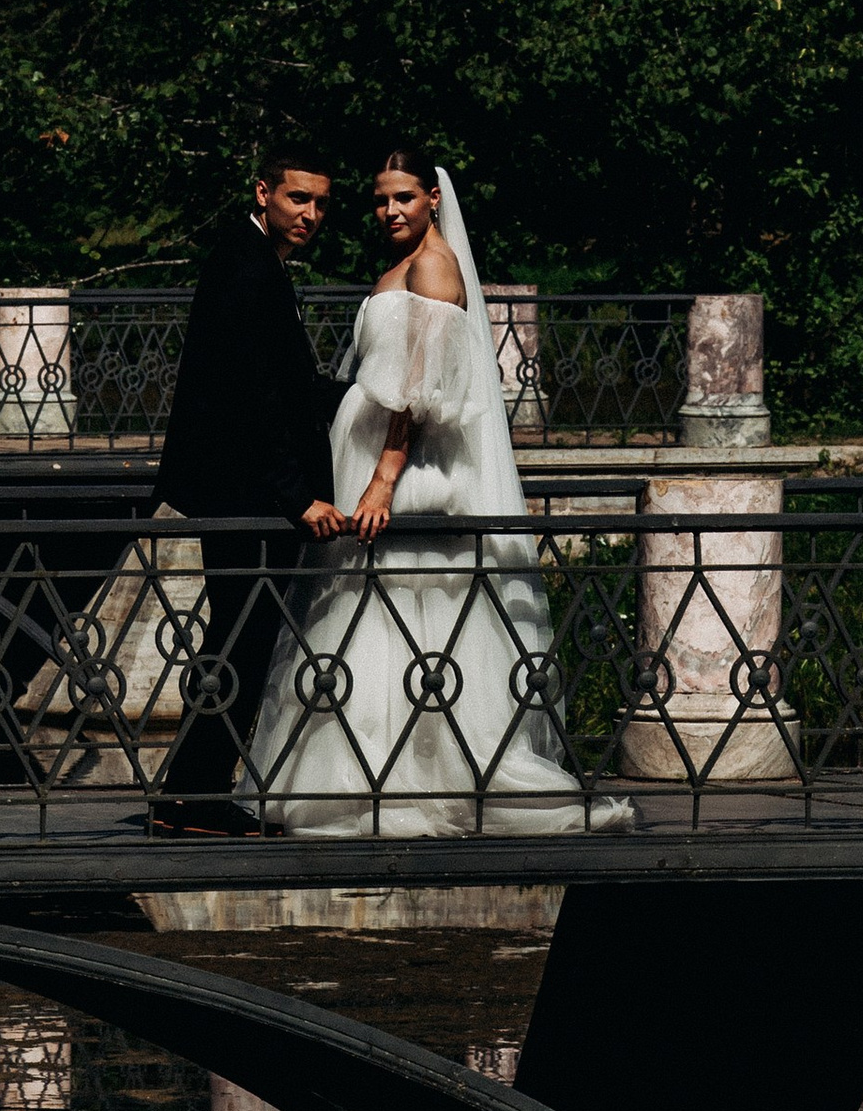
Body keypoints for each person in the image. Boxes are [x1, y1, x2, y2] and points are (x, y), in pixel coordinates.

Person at [253, 149, 631, 839]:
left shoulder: (433, 266)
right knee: (366, 612)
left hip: (402, 470)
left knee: (408, 606)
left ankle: (414, 775)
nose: (389, 211)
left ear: (433, 198)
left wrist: (382, 480)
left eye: (403, 197)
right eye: (379, 199)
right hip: (366, 460)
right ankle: (361, 772)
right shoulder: (398, 266)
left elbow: (421, 393)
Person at [148, 155, 349, 840]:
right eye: (298, 198)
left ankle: (190, 792)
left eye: (320, 204)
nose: (310, 214)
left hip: (245, 490)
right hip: (248, 495)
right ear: (264, 192)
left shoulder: (254, 258)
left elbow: (282, 385)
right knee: (240, 639)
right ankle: (192, 796)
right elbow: (251, 397)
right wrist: (298, 499)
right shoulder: (246, 265)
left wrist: (360, 398)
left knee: (236, 637)